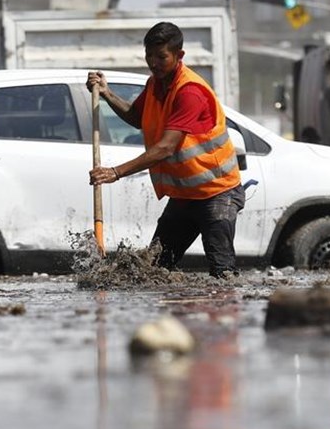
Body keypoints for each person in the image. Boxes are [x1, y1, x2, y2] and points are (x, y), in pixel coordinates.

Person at [87, 22, 245, 278]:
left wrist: (115, 172)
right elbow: (137, 117)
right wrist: (107, 93)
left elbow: (166, 147)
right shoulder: (154, 85)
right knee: (154, 271)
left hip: (217, 193)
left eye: (161, 57)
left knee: (222, 274)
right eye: (149, 56)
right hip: (184, 196)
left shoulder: (189, 91)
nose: (153, 62)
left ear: (179, 56)